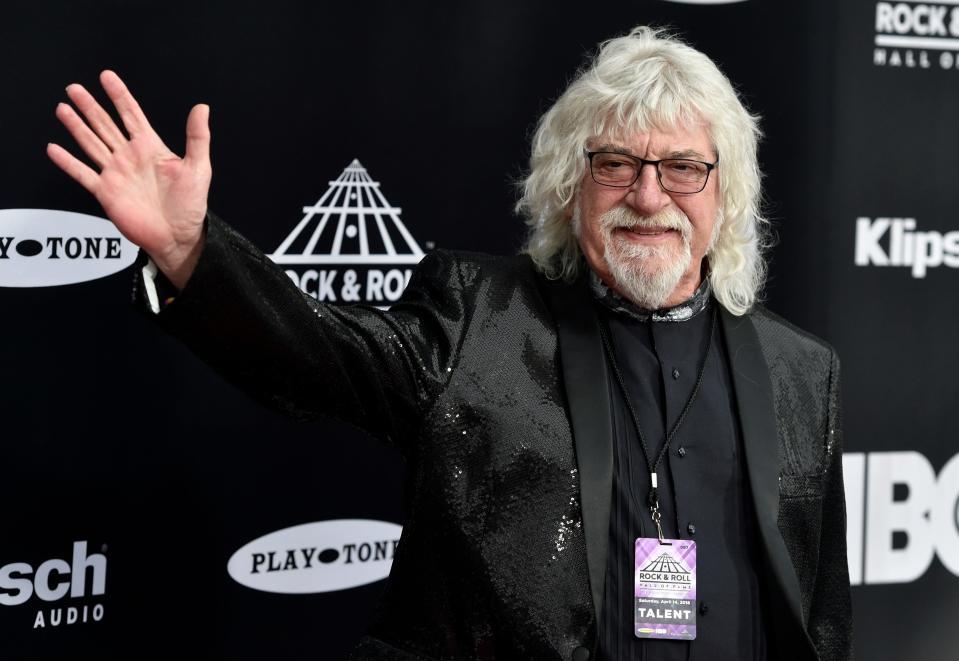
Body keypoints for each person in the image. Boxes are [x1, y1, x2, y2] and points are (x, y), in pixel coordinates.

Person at [47, 26, 852, 661]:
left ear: (726, 192)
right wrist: (193, 254)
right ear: (571, 186)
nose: (648, 196)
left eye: (682, 168)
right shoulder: (479, 315)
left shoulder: (800, 372)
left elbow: (818, 615)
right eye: (615, 164)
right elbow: (323, 356)